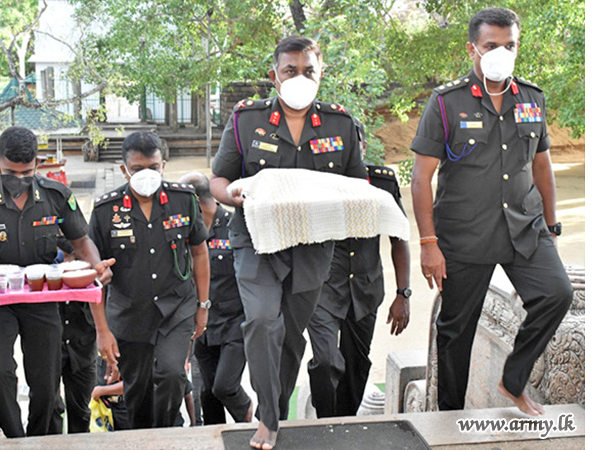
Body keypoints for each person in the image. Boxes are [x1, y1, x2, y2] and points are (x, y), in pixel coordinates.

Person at [409, 7, 573, 416]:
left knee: (557, 293)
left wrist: (551, 226)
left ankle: (513, 380)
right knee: (455, 331)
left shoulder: (532, 98)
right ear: (473, 50)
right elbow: (421, 178)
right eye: (492, 45)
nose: (502, 52)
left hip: (525, 227)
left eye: (510, 45)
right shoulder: (446, 103)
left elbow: (541, 166)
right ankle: (449, 416)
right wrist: (428, 243)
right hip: (465, 234)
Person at [210, 36, 368, 449]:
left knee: (292, 338)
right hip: (257, 240)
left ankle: (276, 411)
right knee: (262, 321)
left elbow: (357, 185)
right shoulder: (247, 119)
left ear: (321, 73)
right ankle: (267, 417)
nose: (300, 77)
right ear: (274, 75)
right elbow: (219, 179)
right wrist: (233, 195)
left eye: (309, 70)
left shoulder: (340, 124)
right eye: (290, 70)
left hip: (312, 245)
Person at [0, 126, 114, 438]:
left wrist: (95, 265)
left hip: (42, 300)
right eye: (11, 172)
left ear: (37, 164)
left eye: (27, 172)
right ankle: (16, 439)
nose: (19, 179)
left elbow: (81, 240)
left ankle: (38, 440)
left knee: (46, 385)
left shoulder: (56, 195)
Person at [87, 130, 211, 429]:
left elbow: (199, 252)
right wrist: (102, 330)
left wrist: (203, 305)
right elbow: (95, 275)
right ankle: (144, 439)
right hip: (130, 314)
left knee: (171, 374)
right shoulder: (106, 210)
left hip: (176, 309)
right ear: (124, 170)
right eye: (138, 168)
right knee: (137, 390)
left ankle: (165, 435)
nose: (147, 174)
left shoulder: (184, 200)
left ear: (163, 165)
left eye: (153, 167)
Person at [306, 164, 411, 418]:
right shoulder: (315, 179)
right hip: (323, 289)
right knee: (325, 361)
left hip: (365, 290)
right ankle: (324, 422)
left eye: (358, 145)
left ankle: (345, 423)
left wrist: (403, 293)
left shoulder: (382, 183)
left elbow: (398, 238)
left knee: (356, 364)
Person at [178, 171, 253, 425]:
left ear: (195, 202)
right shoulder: (185, 234)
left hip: (235, 323)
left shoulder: (235, 227)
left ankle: (246, 419)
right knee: (208, 394)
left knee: (225, 386)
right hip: (203, 326)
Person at [50, 237, 97, 434]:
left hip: (82, 350)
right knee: (51, 408)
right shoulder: (48, 272)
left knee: (81, 412)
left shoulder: (89, 271)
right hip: (51, 350)